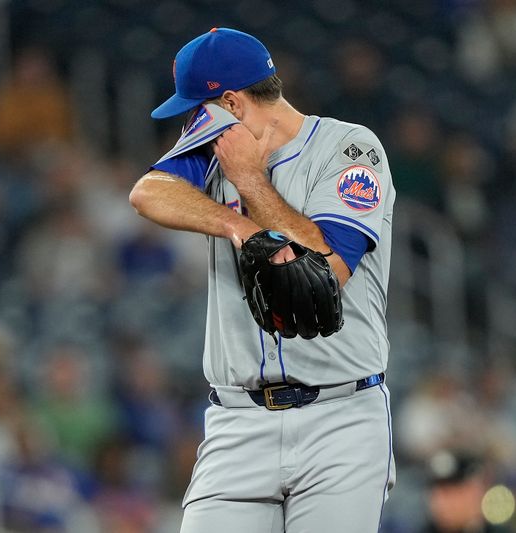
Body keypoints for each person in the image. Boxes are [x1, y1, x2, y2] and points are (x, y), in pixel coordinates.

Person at [130, 27, 395, 533]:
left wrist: (250, 180)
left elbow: (324, 269)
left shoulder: (350, 149)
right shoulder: (212, 146)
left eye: (197, 107)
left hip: (339, 416)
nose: (190, 119)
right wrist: (239, 225)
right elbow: (148, 193)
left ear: (231, 102)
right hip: (237, 420)